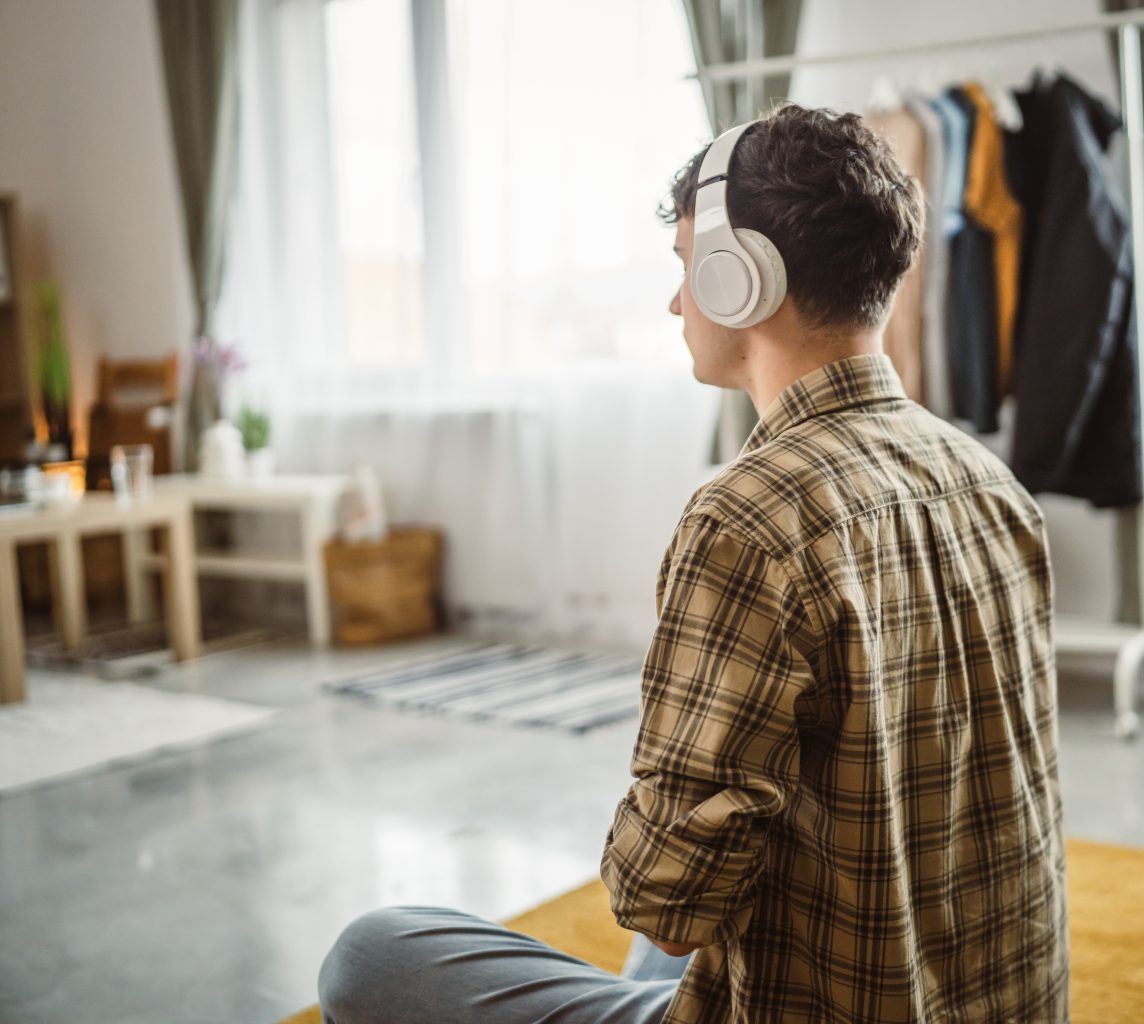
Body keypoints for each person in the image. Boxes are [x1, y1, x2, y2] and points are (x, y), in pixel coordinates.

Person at [318, 101, 1066, 1024]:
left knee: (371, 954)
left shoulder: (748, 520)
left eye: (685, 269)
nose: (677, 302)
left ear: (737, 277)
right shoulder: (991, 482)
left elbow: (663, 902)